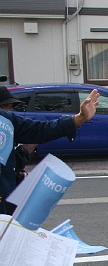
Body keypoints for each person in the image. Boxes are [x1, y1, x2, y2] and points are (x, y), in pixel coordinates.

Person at [0, 86, 100, 215]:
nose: (10, 109)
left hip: (5, 205)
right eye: (6, 105)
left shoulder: (6, 119)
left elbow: (41, 130)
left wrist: (79, 118)